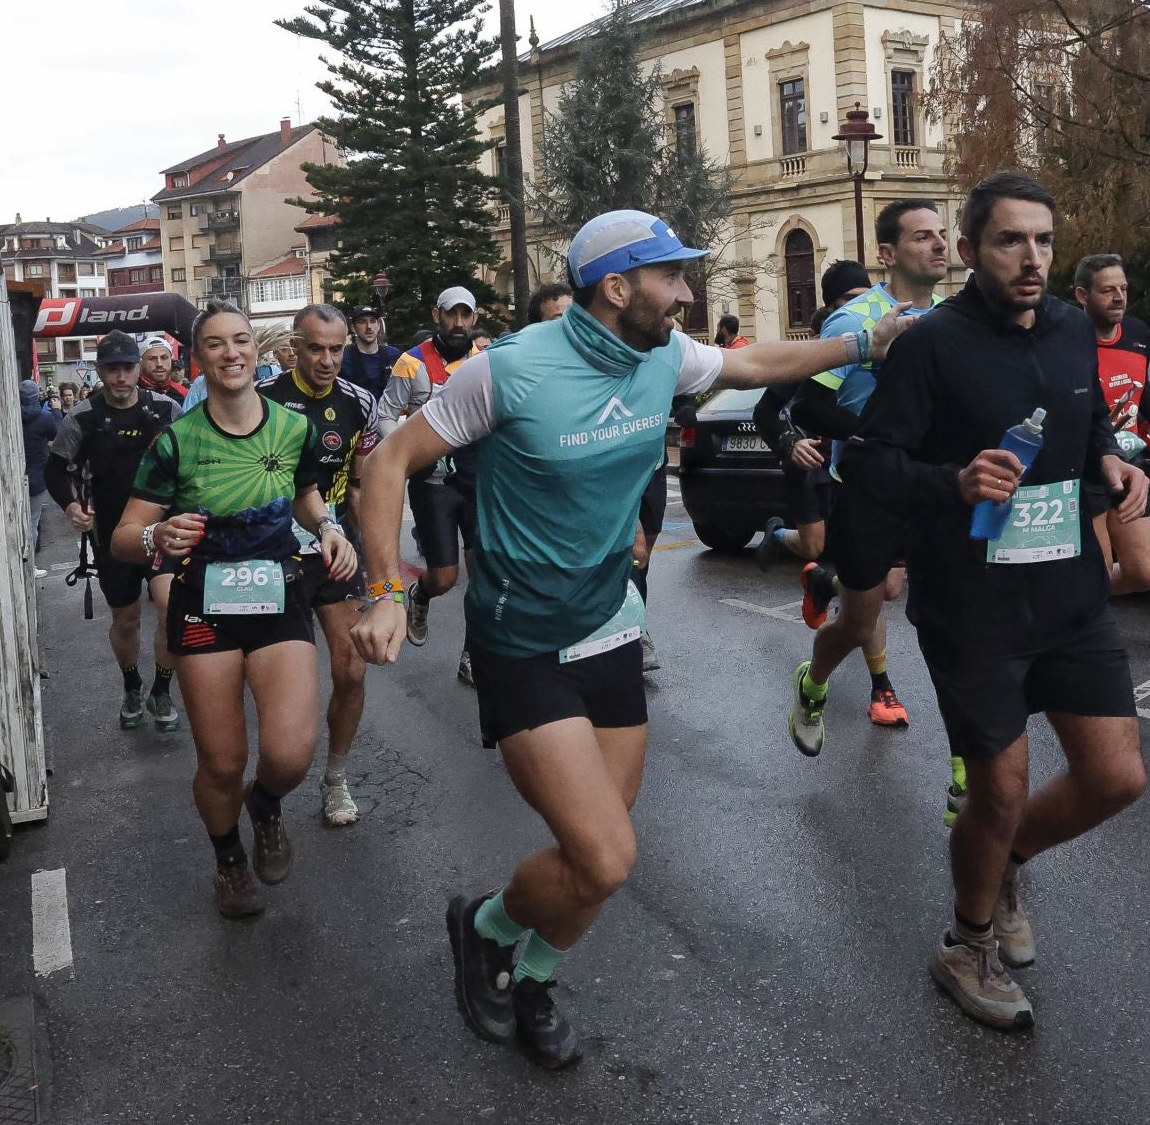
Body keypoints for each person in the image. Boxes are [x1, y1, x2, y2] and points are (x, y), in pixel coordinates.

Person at [350, 209, 912, 1069]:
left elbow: (757, 363)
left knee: (602, 845)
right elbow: (387, 462)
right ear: (617, 288)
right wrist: (387, 591)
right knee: (606, 856)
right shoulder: (508, 369)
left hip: (609, 621)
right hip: (522, 636)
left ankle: (527, 971)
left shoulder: (664, 355)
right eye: (671, 276)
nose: (686, 292)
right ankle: (486, 926)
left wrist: (864, 345)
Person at [847, 171, 1150, 1032]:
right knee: (1000, 789)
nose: (1032, 258)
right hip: (972, 605)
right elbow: (869, 463)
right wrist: (954, 480)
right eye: (1011, 240)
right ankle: (967, 942)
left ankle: (1005, 862)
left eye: (1044, 240)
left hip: (1069, 594)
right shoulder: (932, 345)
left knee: (1117, 776)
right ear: (970, 251)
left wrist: (1110, 459)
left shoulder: (1070, 327)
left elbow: (1084, 423)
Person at [110, 303, 357, 919]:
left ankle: (266, 803)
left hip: (277, 594)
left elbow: (304, 493)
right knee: (222, 763)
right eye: (216, 344)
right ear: (199, 358)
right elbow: (123, 537)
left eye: (241, 340)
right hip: (204, 604)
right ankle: (228, 860)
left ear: (257, 349)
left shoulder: (292, 428)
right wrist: (156, 535)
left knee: (290, 753)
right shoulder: (176, 441)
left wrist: (327, 527)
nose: (231, 353)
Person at [786, 201, 950, 750]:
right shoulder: (855, 320)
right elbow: (809, 405)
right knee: (860, 622)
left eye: (942, 234)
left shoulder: (954, 320)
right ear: (887, 252)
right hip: (866, 491)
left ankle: (967, 763)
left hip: (933, 488)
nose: (938, 244)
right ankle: (814, 682)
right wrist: (875, 440)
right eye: (922, 236)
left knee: (948, 619)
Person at [257, 305, 378, 827]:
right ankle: (272, 784)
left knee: (351, 669)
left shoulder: (359, 402)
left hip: (333, 548)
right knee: (285, 686)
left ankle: (335, 777)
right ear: (295, 347)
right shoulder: (262, 399)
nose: (327, 360)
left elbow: (362, 485)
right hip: (272, 549)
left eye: (336, 349)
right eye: (315, 348)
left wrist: (375, 564)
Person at [45, 331, 184, 731]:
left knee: (172, 609)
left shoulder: (166, 409)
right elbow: (55, 469)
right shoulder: (82, 417)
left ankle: (162, 689)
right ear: (99, 371)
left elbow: (192, 461)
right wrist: (72, 507)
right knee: (126, 619)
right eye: (112, 369)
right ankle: (131, 685)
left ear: (138, 369)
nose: (121, 377)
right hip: (111, 534)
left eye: (127, 368)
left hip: (163, 530)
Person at [374, 286, 489, 687]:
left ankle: (473, 655)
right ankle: (421, 594)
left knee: (484, 576)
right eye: (451, 314)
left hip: (477, 477)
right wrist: (407, 452)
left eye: (465, 315)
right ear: (437, 315)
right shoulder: (411, 362)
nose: (458, 323)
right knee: (444, 577)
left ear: (474, 318)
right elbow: (385, 415)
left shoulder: (486, 361)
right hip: (432, 481)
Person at [753, 261, 874, 615]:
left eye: (866, 298)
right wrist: (791, 443)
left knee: (867, 563)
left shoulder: (872, 350)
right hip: (808, 464)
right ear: (832, 306)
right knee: (813, 547)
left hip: (847, 466)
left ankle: (838, 597)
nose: (860, 307)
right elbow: (764, 411)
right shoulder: (810, 357)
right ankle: (777, 534)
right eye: (850, 299)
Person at [1072, 254, 1150, 594]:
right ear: (1082, 295)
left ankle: (1082, 597)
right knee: (1095, 577)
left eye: (1123, 289)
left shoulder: (1138, 332)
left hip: (1128, 465)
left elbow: (1139, 380)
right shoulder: (1068, 339)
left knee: (1146, 574)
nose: (1119, 298)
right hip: (1086, 469)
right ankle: (1086, 606)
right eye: (1107, 290)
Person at [20, 378, 59, 551]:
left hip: (12, 477)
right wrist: (56, 412)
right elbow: (57, 435)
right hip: (36, 476)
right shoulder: (44, 417)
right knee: (32, 521)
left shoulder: (10, 416)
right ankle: (30, 561)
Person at [339, 303, 403, 397]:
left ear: (378, 325)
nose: (369, 326)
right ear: (353, 328)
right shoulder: (343, 356)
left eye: (373, 321)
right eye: (362, 322)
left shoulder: (393, 355)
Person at [140, 337, 189, 403]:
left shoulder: (184, 393)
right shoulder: (130, 392)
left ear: (171, 360)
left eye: (164, 358)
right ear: (141, 363)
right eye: (152, 359)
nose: (159, 364)